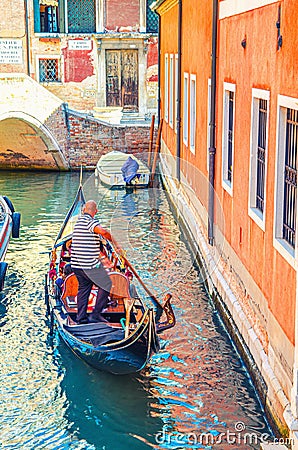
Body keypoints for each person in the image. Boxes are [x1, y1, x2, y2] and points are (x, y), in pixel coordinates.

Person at [71, 200, 120, 324]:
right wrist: (115, 242)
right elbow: (103, 232)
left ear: (83, 210)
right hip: (89, 266)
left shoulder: (78, 223)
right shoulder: (91, 222)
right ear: (95, 211)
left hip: (76, 265)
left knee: (83, 289)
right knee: (106, 284)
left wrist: (101, 256)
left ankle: (80, 319)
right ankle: (95, 314)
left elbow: (89, 245)